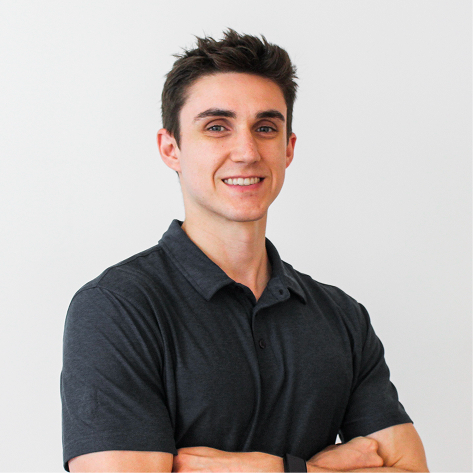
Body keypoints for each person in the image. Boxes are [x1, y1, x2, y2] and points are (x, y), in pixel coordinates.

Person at [61, 30, 429, 472]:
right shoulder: (116, 308)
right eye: (217, 127)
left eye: (266, 128)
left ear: (288, 148)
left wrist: (272, 469)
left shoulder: (342, 316)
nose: (247, 151)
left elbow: (413, 469)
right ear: (171, 148)